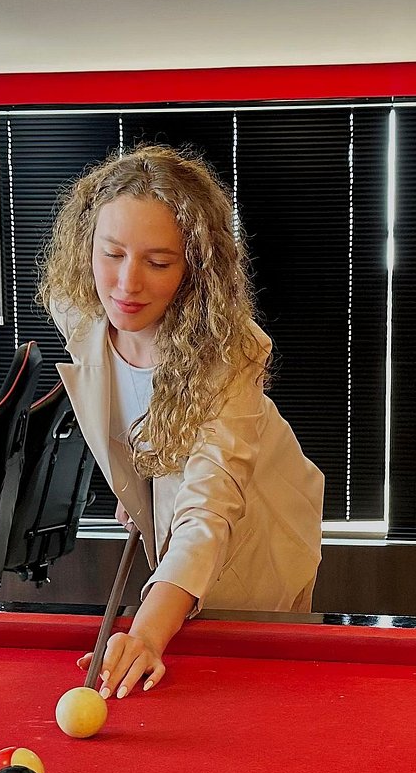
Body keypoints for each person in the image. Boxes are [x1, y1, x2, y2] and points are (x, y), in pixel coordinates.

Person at [39, 145, 324, 700]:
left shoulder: (229, 353)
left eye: (159, 262)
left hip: (257, 528)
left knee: (244, 695)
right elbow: (129, 411)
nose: (127, 284)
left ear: (195, 267)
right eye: (111, 253)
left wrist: (145, 633)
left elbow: (209, 506)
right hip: (188, 515)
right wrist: (138, 484)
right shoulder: (79, 310)